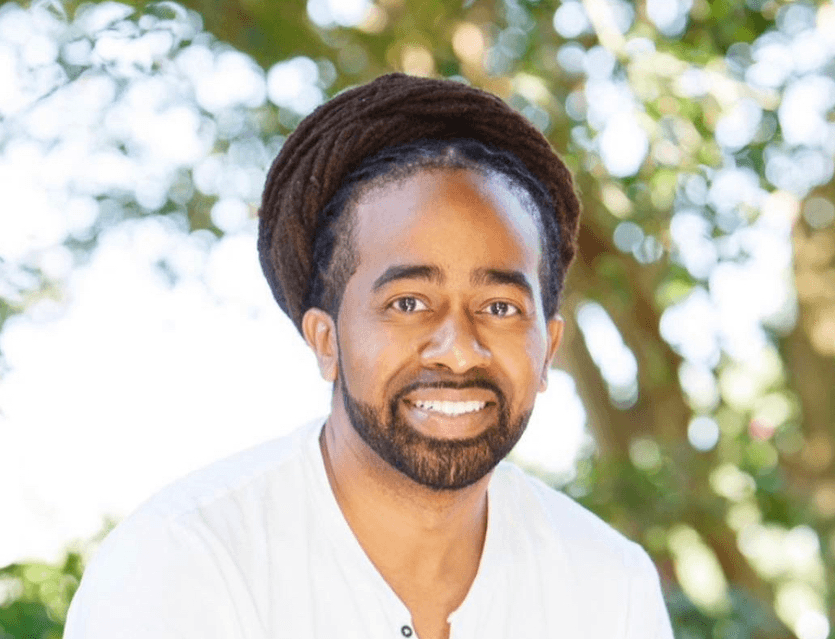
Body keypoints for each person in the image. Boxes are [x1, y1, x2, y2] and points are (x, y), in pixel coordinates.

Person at [65, 73, 674, 639]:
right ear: (325, 340)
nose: (459, 351)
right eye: (409, 303)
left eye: (499, 306)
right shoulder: (182, 566)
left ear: (548, 351)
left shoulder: (609, 588)